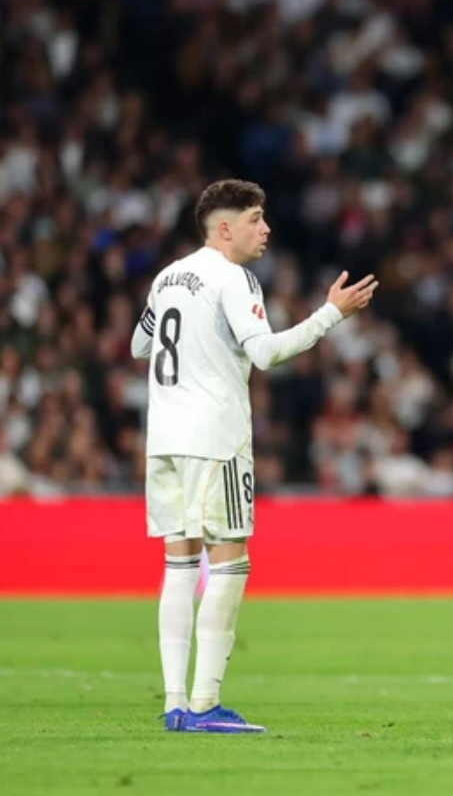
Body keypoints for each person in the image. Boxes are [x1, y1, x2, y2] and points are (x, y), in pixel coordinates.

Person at [132, 179, 377, 733]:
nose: (265, 229)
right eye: (255, 219)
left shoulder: (167, 276)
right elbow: (265, 353)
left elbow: (139, 345)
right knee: (229, 563)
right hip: (215, 438)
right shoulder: (233, 277)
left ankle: (175, 703)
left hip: (164, 437)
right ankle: (204, 704)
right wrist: (329, 314)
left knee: (178, 566)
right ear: (225, 228)